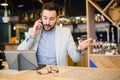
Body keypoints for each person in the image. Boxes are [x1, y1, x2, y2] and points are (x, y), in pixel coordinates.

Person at [17, 2, 92, 66]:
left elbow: (75, 58)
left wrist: (79, 49)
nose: (47, 22)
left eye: (51, 19)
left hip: (57, 73)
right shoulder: (33, 31)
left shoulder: (65, 33)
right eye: (45, 18)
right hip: (37, 73)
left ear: (57, 18)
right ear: (41, 17)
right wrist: (33, 36)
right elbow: (20, 52)